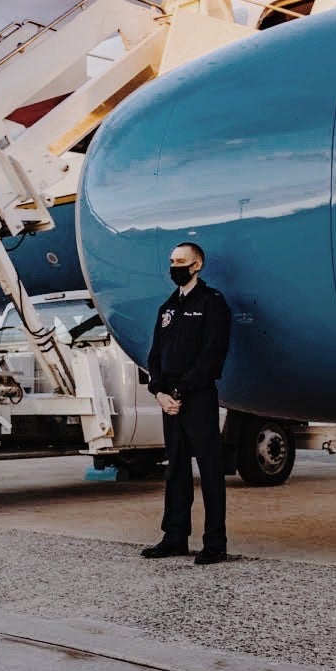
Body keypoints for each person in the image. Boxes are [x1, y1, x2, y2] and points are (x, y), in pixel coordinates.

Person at [141, 242, 233, 565]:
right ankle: (175, 536)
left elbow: (212, 355)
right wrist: (159, 392)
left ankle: (215, 543)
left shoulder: (212, 303)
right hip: (171, 403)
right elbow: (155, 355)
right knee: (176, 469)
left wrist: (179, 390)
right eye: (171, 261)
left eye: (181, 261)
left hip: (198, 399)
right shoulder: (167, 308)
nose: (174, 266)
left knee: (210, 469)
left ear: (197, 266)